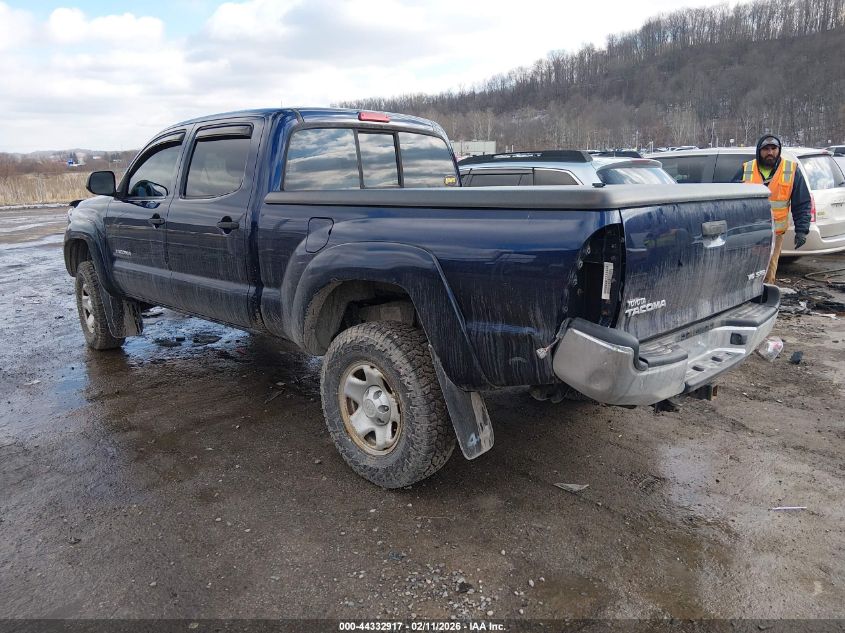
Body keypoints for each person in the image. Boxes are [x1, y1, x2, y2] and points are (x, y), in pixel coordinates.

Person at [742, 135, 811, 284]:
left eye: (773, 148)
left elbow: (802, 203)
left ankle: (765, 300)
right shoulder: (747, 169)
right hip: (750, 232)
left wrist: (802, 230)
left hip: (775, 233)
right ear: (759, 151)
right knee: (747, 270)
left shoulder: (791, 170)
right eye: (766, 149)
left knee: (768, 271)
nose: (770, 152)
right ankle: (747, 300)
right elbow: (732, 199)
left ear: (779, 150)